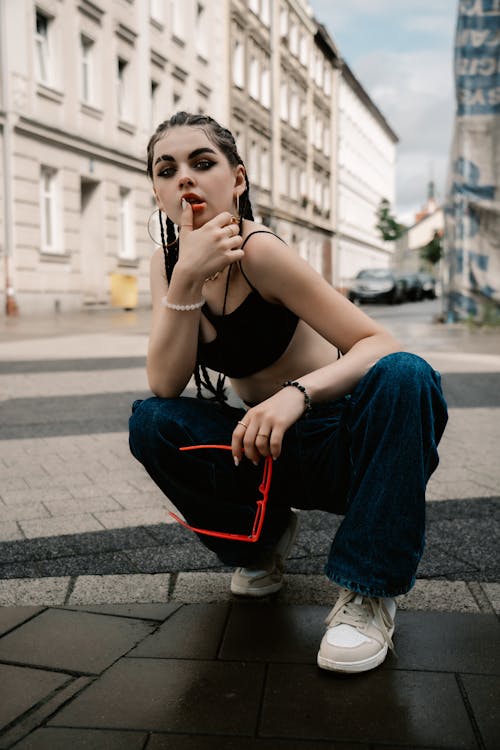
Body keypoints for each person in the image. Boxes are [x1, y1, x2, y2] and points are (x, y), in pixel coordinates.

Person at [129, 111, 448, 674]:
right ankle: (262, 544)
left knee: (406, 373)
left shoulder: (261, 252)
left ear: (238, 180)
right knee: (151, 420)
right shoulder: (166, 263)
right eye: (167, 169)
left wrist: (297, 394)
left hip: (343, 440)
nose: (185, 178)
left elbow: (377, 341)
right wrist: (185, 279)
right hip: (262, 445)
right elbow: (164, 384)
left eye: (203, 164)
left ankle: (368, 593)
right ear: (156, 189)